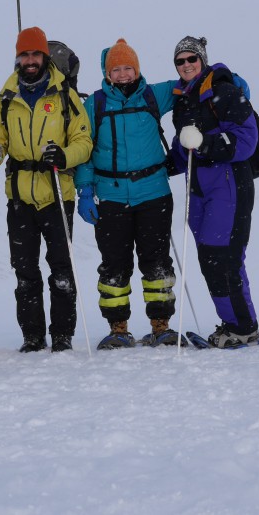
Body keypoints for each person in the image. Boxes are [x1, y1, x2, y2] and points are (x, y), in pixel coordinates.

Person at [0, 26, 92, 353]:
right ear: (18, 57)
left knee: (61, 268)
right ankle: (32, 336)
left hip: (58, 193)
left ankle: (62, 335)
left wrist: (64, 155)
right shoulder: (6, 96)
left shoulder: (64, 95)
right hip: (19, 197)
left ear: (44, 56)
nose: (30, 60)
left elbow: (84, 142)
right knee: (25, 271)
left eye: (35, 54)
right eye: (25, 54)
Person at [74, 39, 179, 349]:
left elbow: (191, 84)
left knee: (157, 262)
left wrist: (225, 78)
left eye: (127, 68)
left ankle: (161, 326)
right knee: (114, 264)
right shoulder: (94, 104)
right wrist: (85, 188)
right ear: (107, 74)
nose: (122, 74)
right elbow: (84, 147)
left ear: (137, 69)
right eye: (116, 69)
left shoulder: (154, 94)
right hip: (111, 196)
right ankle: (118, 328)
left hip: (154, 192)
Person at [168, 36, 259, 348]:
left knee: (227, 257)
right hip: (197, 187)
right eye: (180, 61)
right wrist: (161, 163)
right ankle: (230, 323)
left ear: (202, 59)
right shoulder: (182, 100)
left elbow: (247, 139)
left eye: (191, 59)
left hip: (229, 182)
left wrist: (206, 144)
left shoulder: (224, 91)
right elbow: (183, 152)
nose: (186, 65)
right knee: (209, 259)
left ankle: (245, 325)